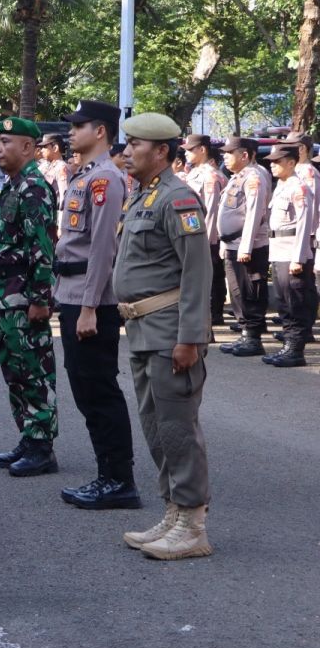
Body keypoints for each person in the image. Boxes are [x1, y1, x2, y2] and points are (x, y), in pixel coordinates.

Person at [113, 112, 213, 561]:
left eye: (136, 145)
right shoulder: (145, 195)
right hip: (142, 330)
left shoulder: (178, 200)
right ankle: (173, 513)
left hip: (170, 331)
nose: (127, 151)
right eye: (127, 144)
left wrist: (190, 337)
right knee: (156, 428)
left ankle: (193, 526)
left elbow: (197, 274)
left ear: (161, 153)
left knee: (177, 429)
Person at [55, 100, 139, 510]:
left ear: (101, 131)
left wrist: (89, 307)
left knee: (99, 390)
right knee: (85, 388)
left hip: (92, 302)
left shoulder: (106, 179)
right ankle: (107, 475)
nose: (71, 132)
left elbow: (104, 249)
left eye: (79, 125)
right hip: (71, 295)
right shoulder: (84, 175)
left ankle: (119, 480)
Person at [0, 117, 59, 477]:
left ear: (29, 147)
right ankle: (27, 435)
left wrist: (40, 299)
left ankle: (42, 445)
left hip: (24, 298)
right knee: (14, 370)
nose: (0, 148)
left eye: (8, 142)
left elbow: (42, 247)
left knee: (33, 371)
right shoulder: (13, 186)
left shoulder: (34, 188)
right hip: (5, 297)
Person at [261, 141, 318, 367]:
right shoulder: (282, 186)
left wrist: (299, 257)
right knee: (283, 301)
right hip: (278, 250)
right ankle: (288, 346)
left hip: (292, 252)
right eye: (271, 162)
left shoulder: (299, 187)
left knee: (295, 302)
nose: (273, 166)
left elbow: (305, 224)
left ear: (292, 162)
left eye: (277, 162)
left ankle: (295, 349)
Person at [216, 136, 271, 357]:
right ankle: (245, 333)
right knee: (237, 291)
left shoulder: (255, 177)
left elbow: (254, 214)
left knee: (251, 291)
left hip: (248, 246)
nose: (225, 157)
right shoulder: (237, 177)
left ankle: (254, 338)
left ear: (245, 155)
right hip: (232, 244)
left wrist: (246, 247)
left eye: (229, 153)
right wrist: (224, 241)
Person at [182, 133, 228, 325]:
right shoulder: (194, 173)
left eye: (190, 150)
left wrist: (206, 241)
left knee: (210, 279)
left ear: (202, 150)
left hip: (207, 237)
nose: (186, 154)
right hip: (193, 233)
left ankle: (213, 316)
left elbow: (211, 211)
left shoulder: (210, 176)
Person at [39, 134, 70, 232]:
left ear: (55, 148)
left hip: (52, 218)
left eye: (45, 147)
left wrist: (61, 225)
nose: (41, 150)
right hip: (39, 216)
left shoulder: (62, 168)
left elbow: (64, 198)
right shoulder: (43, 166)